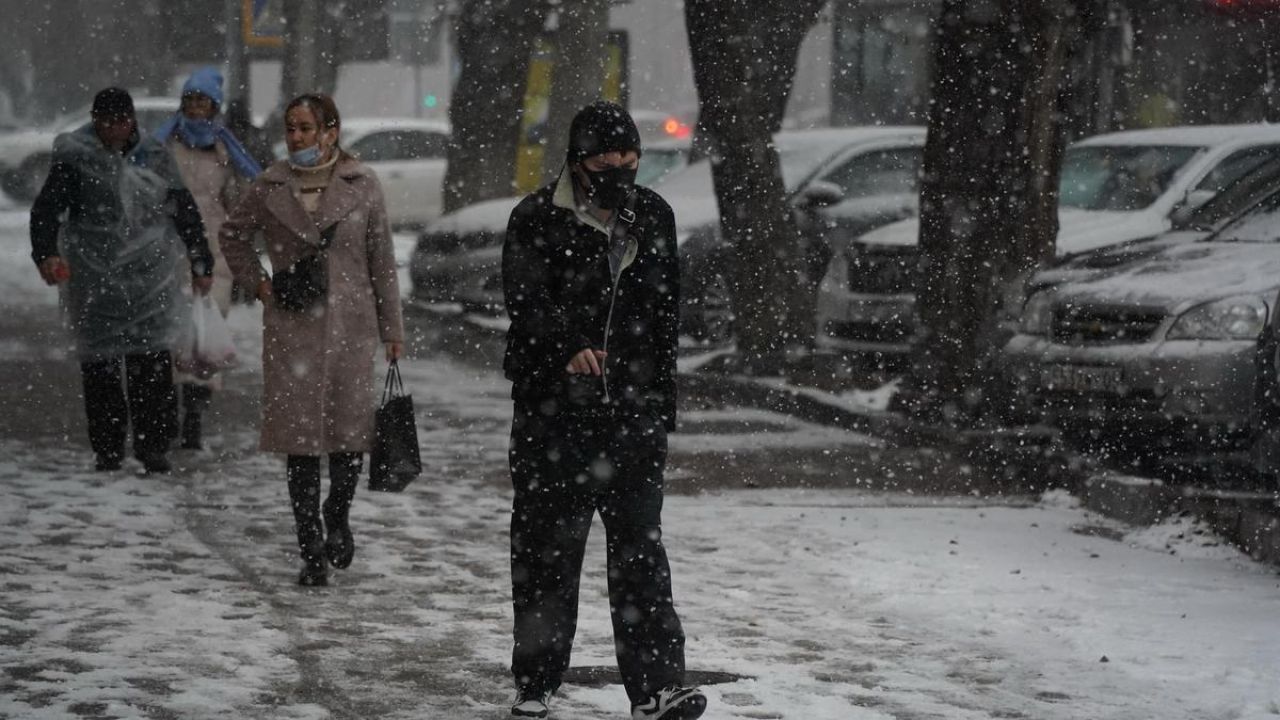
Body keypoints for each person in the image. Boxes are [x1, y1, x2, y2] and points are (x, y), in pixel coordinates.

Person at [501, 101, 706, 720]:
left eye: (630, 160)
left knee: (641, 553)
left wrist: (659, 404)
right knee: (547, 552)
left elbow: (664, 317)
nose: (619, 172)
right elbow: (524, 300)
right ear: (577, 162)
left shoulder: (653, 215)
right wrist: (565, 346)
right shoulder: (537, 217)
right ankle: (536, 681)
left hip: (632, 415)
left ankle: (657, 686)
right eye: (605, 163)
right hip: (553, 417)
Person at [220, 94, 404, 587]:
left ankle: (337, 514)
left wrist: (392, 329)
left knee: (348, 434)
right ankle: (310, 548)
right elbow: (233, 234)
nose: (297, 137)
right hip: (292, 328)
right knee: (298, 441)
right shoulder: (270, 184)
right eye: (291, 128)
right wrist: (259, 283)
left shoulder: (362, 184)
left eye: (306, 128)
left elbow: (382, 260)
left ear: (330, 131)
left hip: (351, 328)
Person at [29, 87, 214, 475]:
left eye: (122, 121)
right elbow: (47, 208)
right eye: (106, 122)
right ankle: (109, 450)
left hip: (150, 278)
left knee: (152, 365)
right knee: (101, 367)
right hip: (94, 278)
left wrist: (201, 261)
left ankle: (153, 447)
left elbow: (183, 209)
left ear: (132, 121)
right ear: (94, 121)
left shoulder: (154, 155)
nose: (114, 129)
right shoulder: (76, 158)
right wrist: (46, 253)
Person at [153, 67, 263, 451]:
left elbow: (241, 203)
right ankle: (167, 413)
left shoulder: (225, 150)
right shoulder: (164, 145)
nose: (196, 107)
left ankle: (194, 415)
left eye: (203, 101)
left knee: (204, 337)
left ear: (215, 107)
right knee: (170, 335)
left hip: (215, 253)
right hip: (169, 249)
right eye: (190, 100)